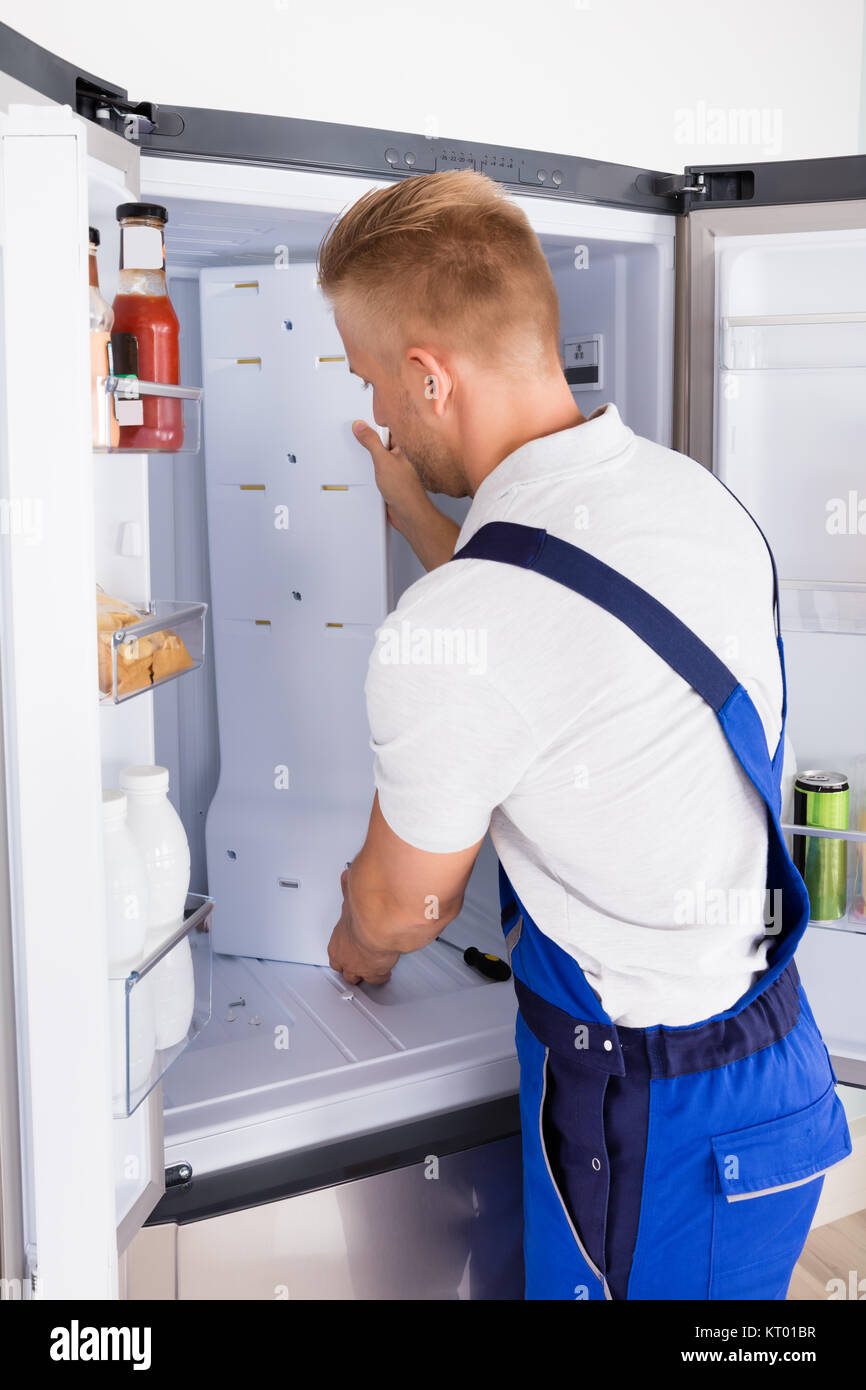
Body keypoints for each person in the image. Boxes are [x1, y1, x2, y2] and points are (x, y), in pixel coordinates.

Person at [318, 169, 851, 1300]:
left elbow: (403, 910)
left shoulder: (457, 632)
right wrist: (418, 517)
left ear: (428, 375)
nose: (382, 413)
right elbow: (559, 634)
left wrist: (355, 946)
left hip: (652, 1123)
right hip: (769, 1069)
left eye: (372, 379)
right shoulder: (692, 498)